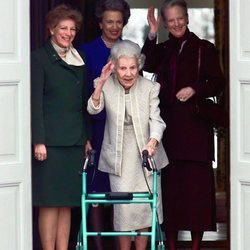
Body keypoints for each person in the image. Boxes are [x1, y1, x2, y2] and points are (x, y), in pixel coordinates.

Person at [141, 1, 226, 249]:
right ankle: (171, 245)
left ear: (187, 18)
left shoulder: (204, 48)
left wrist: (194, 88)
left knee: (197, 192)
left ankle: (196, 245)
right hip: (169, 130)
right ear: (166, 23)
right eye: (170, 20)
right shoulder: (164, 48)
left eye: (180, 18)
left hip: (195, 129)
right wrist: (153, 33)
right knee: (171, 192)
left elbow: (217, 83)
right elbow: (146, 64)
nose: (176, 23)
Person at [87, 39, 168, 250]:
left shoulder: (150, 87)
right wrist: (102, 84)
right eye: (122, 68)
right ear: (114, 66)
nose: (128, 73)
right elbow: (93, 110)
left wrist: (152, 142)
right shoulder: (103, 83)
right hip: (118, 156)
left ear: (139, 66)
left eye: (133, 67)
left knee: (144, 211)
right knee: (123, 212)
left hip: (145, 154)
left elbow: (157, 120)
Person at [31, 4, 91, 250]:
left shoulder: (80, 58)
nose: (68, 33)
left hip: (75, 142)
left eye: (72, 29)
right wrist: (38, 141)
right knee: (49, 202)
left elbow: (83, 101)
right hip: (51, 144)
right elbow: (34, 103)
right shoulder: (39, 58)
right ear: (51, 30)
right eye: (63, 28)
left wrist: (86, 138)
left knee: (67, 202)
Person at [78, 1, 130, 249]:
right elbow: (80, 96)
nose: (114, 26)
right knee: (96, 191)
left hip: (124, 132)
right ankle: (98, 246)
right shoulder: (86, 51)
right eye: (109, 21)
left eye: (118, 21)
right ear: (100, 23)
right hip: (96, 129)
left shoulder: (129, 50)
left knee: (122, 190)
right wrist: (84, 135)